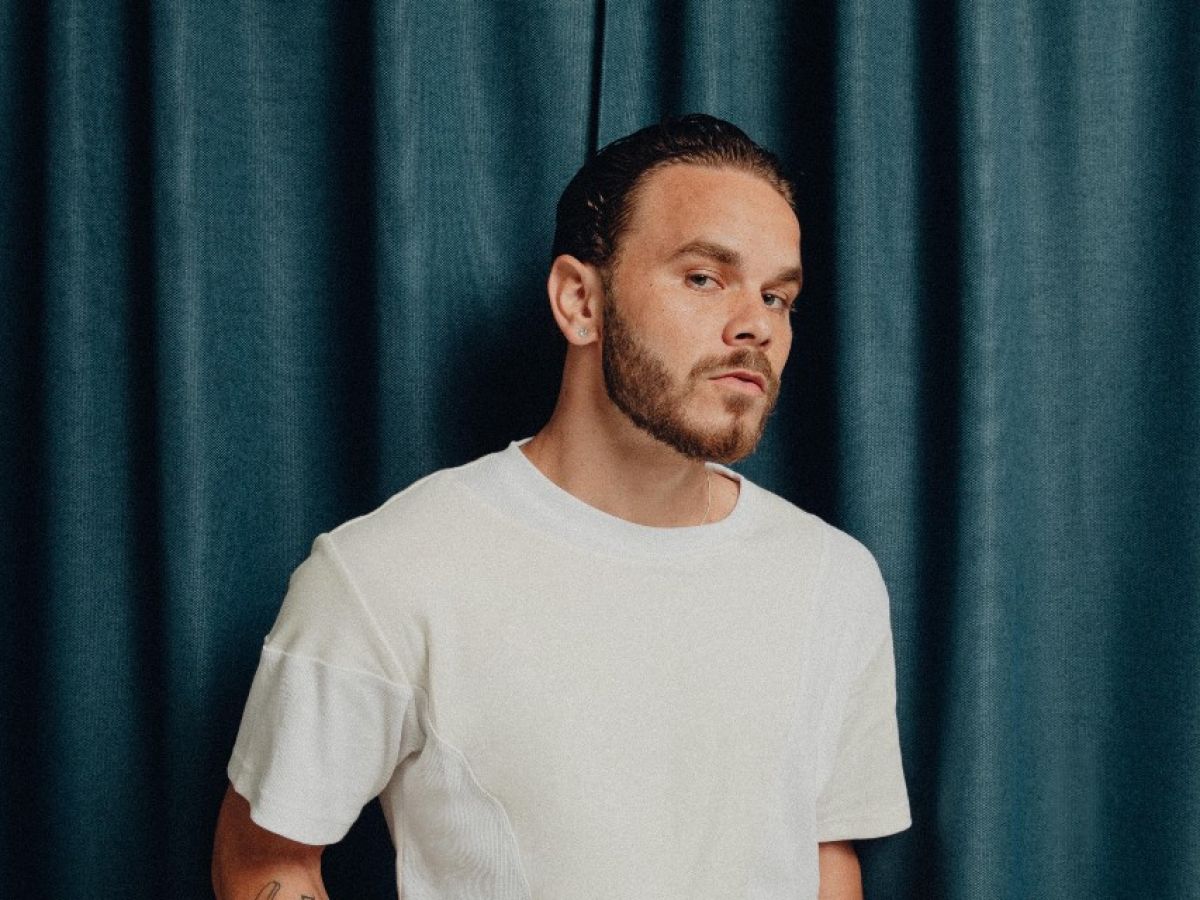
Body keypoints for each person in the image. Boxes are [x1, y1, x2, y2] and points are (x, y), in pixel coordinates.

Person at [212, 114, 911, 900]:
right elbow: (268, 859)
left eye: (779, 296)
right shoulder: (388, 571)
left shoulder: (834, 579)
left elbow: (823, 858)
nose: (756, 324)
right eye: (705, 277)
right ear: (581, 300)